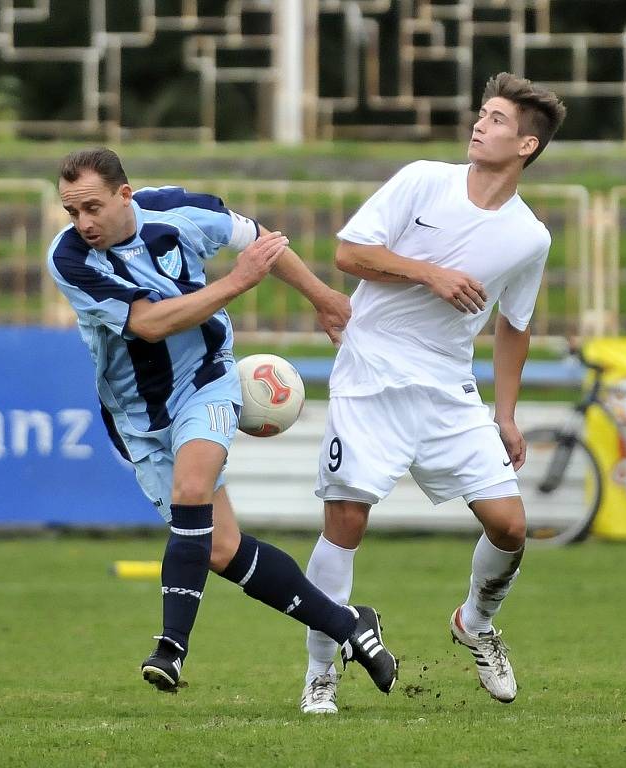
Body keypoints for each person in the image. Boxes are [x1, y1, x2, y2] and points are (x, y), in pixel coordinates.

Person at [46, 147, 398, 698]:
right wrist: (237, 283)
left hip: (207, 379)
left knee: (193, 490)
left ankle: (171, 649)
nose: (83, 223)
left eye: (93, 207)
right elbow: (150, 324)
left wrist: (324, 298)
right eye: (73, 212)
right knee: (218, 547)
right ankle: (350, 625)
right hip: (138, 416)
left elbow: (263, 242)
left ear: (124, 194)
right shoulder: (69, 260)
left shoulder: (179, 213)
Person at [300, 72, 567, 714]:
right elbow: (348, 253)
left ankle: (475, 623)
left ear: (527, 146)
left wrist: (504, 415)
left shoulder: (530, 236)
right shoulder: (423, 178)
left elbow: (515, 326)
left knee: (510, 526)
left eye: (498, 119)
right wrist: (431, 274)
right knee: (346, 520)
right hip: (369, 375)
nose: (480, 124)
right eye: (482, 113)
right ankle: (320, 675)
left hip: (449, 390)